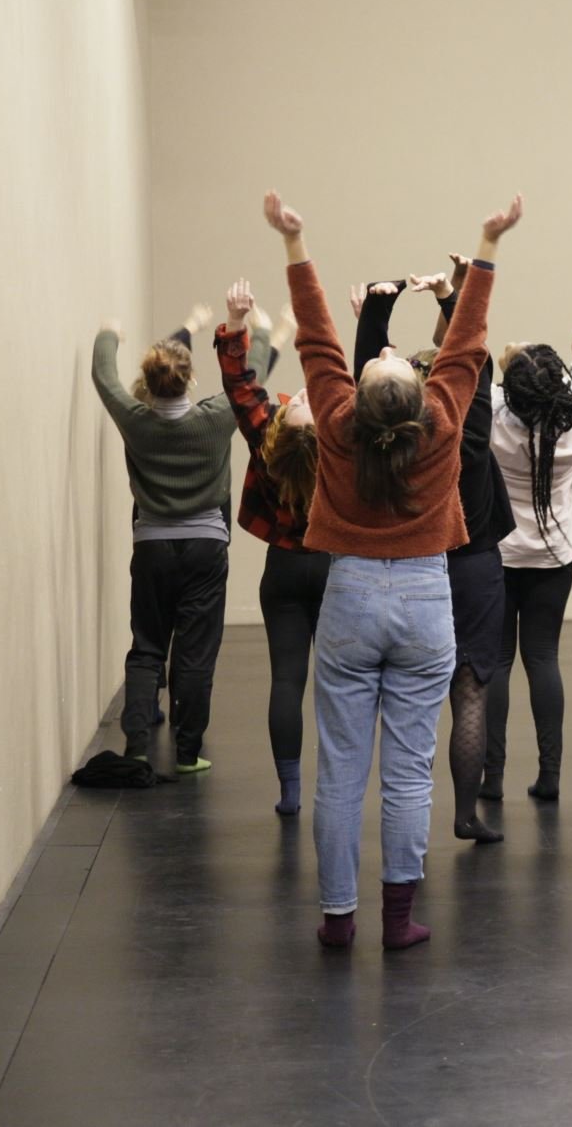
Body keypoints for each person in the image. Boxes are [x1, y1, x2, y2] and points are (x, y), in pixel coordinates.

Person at [265, 186, 521, 950]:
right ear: (417, 401)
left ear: (363, 400)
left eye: (379, 360)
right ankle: (398, 919)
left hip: (349, 595)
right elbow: (466, 340)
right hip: (423, 598)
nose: (382, 351)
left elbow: (316, 338)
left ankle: (338, 919)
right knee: (409, 772)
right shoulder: (439, 423)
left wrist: (294, 243)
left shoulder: (338, 424)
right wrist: (487, 243)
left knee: (341, 770)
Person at [353, 268, 514, 846]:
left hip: (412, 568)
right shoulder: (465, 436)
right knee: (470, 692)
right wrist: (451, 295)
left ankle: (405, 828)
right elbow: (475, 360)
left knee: (407, 706)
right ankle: (466, 815)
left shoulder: (387, 439)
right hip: (473, 569)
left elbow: (367, 384)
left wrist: (379, 308)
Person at [92, 305, 234, 774]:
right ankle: (188, 753)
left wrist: (109, 333)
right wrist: (245, 328)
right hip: (205, 547)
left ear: (148, 382)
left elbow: (103, 376)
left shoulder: (136, 421)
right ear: (190, 380)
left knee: (147, 645)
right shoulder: (215, 418)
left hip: (152, 545)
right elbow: (249, 381)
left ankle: (135, 746)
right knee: (194, 654)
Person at [214, 279, 323, 815]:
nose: (299, 394)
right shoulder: (340, 457)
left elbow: (240, 385)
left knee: (286, 678)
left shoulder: (266, 440)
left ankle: (290, 791)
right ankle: (337, 783)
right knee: (338, 684)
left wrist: (237, 323)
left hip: (283, 570)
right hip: (335, 570)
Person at [480, 332, 572, 803]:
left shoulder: (492, 417)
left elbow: (472, 357)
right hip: (552, 556)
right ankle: (550, 775)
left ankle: (492, 778)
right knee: (543, 658)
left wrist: (508, 357)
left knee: (497, 662)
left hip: (500, 553)